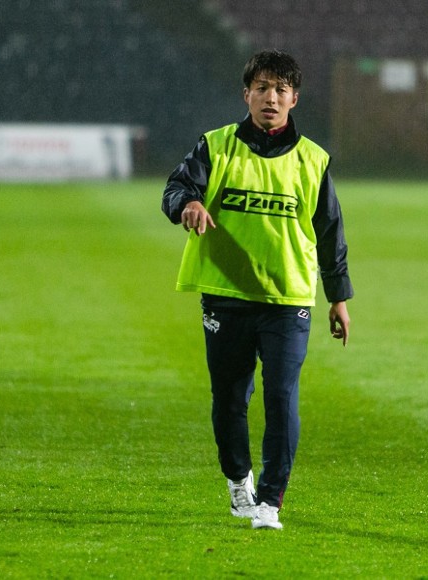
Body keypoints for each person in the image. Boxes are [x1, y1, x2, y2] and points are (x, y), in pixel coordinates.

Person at [161, 50, 353, 530]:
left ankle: (269, 501)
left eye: (281, 90)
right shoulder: (217, 146)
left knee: (282, 397)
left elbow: (330, 232)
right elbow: (175, 188)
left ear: (295, 99)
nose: (271, 97)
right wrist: (187, 204)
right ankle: (237, 480)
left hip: (288, 299)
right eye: (262, 87)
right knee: (229, 398)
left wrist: (339, 297)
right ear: (246, 93)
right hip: (226, 295)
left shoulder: (314, 160)